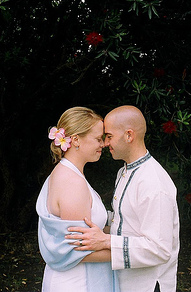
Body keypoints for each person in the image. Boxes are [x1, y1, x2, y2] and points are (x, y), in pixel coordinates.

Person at [65, 105, 180, 292]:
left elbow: (159, 249)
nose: (104, 143)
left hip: (148, 285)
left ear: (129, 135)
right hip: (125, 281)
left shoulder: (154, 183)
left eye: (109, 136)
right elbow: (126, 221)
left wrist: (105, 241)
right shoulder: (123, 172)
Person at [36, 106, 120, 292]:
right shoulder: (72, 182)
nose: (103, 144)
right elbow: (77, 249)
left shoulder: (69, 174)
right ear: (75, 140)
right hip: (77, 282)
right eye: (98, 139)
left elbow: (89, 232)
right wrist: (128, 253)